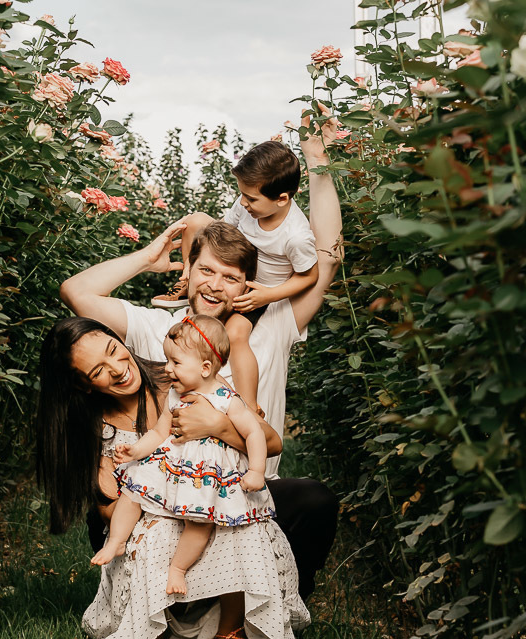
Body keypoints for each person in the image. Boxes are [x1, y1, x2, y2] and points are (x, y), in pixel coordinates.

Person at [59, 110, 343, 599]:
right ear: (189, 271)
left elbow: (329, 257)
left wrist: (316, 163)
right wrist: (148, 258)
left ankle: (283, 589)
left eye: (232, 277)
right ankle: (158, 591)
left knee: (315, 500)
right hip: (175, 491)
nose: (216, 285)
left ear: (248, 285)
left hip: (245, 489)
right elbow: (77, 292)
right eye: (206, 271)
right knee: (123, 501)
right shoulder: (157, 325)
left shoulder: (271, 324)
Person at [35, 316, 307, 639]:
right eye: (98, 371)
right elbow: (113, 507)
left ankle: (231, 632)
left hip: (200, 493)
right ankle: (152, 632)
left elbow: (269, 441)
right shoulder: (87, 429)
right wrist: (131, 468)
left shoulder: (182, 379)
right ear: (84, 386)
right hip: (145, 515)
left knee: (233, 523)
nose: (118, 369)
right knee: (159, 527)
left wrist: (219, 426)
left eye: (114, 351)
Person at [92, 315, 275, 600]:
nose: (167, 369)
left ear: (205, 368)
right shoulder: (176, 395)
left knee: (199, 523)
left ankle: (178, 568)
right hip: (170, 465)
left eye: (175, 363)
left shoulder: (227, 398)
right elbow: (158, 432)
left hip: (206, 475)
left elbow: (255, 434)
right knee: (132, 491)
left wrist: (256, 471)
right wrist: (136, 451)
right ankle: (116, 541)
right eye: (167, 361)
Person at [151, 141, 320, 411]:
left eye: (251, 198)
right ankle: (188, 280)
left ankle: (249, 403)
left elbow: (310, 277)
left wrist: (267, 295)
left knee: (236, 333)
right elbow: (221, 231)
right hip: (234, 265)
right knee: (194, 221)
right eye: (242, 194)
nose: (243, 202)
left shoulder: (296, 236)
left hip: (257, 291)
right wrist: (200, 260)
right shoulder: (246, 205)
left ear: (282, 199)